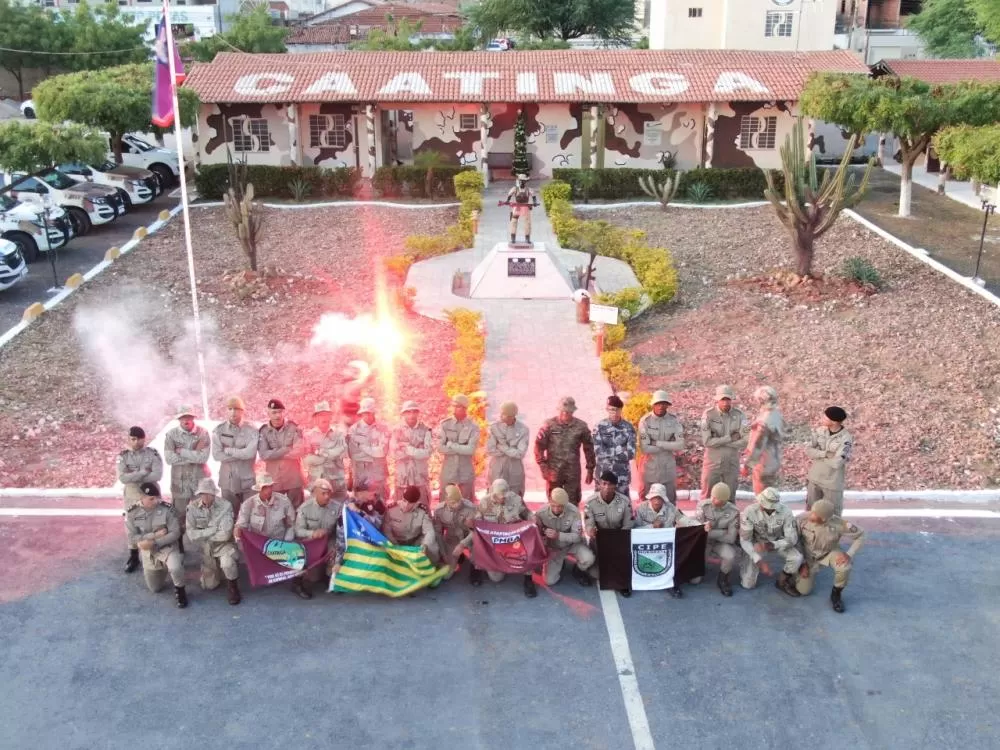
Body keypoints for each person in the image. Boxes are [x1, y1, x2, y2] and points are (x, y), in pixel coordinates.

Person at [795, 499, 865, 612]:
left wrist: (849, 554)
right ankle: (797, 574)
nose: (810, 515)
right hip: (807, 556)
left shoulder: (839, 524)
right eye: (812, 511)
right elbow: (794, 541)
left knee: (844, 567)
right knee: (804, 591)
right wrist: (802, 563)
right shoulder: (801, 519)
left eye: (814, 514)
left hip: (828, 552)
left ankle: (836, 594)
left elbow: (861, 535)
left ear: (824, 519)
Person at [125, 482, 187, 608]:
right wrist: (154, 535)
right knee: (155, 588)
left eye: (157, 497)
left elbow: (175, 533)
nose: (156, 501)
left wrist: (155, 542)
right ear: (141, 497)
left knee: (175, 567)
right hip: (148, 553)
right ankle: (162, 569)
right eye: (151, 498)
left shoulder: (167, 509)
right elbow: (132, 537)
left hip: (167, 547)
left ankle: (180, 591)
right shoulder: (132, 513)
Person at [472, 478, 536, 596]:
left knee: (529, 545)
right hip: (493, 542)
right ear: (492, 492)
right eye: (499, 495)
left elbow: (526, 513)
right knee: (496, 578)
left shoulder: (516, 499)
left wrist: (532, 518)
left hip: (513, 539)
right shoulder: (484, 502)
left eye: (504, 495)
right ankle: (478, 567)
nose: (502, 498)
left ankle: (528, 579)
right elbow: (478, 522)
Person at [185, 477, 241, 606]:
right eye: (202, 493)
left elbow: (225, 535)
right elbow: (191, 535)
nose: (205, 496)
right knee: (209, 585)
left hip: (224, 546)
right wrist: (213, 530)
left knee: (227, 563)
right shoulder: (192, 508)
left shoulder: (225, 506)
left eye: (208, 493)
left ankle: (233, 587)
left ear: (213, 494)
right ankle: (217, 571)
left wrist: (203, 534)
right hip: (206, 549)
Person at [634, 482, 695, 598]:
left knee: (678, 554)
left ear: (664, 499)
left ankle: (672, 583)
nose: (657, 501)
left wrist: (699, 525)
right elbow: (635, 530)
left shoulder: (671, 508)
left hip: (665, 546)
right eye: (654, 497)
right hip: (646, 544)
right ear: (650, 497)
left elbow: (683, 519)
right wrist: (652, 526)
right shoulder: (641, 509)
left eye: (660, 498)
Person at [739, 487, 802, 597]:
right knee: (748, 585)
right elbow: (745, 540)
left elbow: (792, 538)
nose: (763, 506)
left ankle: (782, 581)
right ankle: (746, 565)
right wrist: (759, 561)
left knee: (797, 558)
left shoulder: (786, 512)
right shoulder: (749, 511)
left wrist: (773, 545)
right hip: (757, 544)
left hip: (778, 542)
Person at [534, 396, 596, 506]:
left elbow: (589, 448)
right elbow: (538, 446)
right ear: (559, 410)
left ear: (573, 411)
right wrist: (543, 466)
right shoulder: (549, 425)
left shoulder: (581, 426)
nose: (565, 414)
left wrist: (590, 469)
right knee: (554, 502)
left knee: (572, 503)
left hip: (572, 472)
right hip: (553, 472)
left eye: (569, 412)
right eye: (563, 411)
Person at [116, 426, 162, 573]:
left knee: (156, 523)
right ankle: (134, 555)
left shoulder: (152, 454)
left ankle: (158, 553)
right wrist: (143, 472)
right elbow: (122, 478)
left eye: (139, 439)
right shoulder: (123, 456)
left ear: (144, 439)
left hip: (151, 494)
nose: (136, 442)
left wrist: (133, 475)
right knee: (131, 525)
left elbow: (157, 475)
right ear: (128, 439)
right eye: (133, 439)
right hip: (132, 495)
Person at [164, 405, 211, 546]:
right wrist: (193, 456)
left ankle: (206, 547)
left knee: (204, 513)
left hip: (199, 481)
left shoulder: (202, 433)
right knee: (179, 515)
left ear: (193, 418)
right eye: (183, 417)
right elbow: (169, 459)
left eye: (189, 417)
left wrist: (182, 451)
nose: (186, 420)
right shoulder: (171, 435)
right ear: (179, 419)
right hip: (180, 482)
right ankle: (179, 545)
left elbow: (203, 458)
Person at [584, 470, 635, 596]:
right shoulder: (590, 502)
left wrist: (618, 541)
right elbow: (588, 523)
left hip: (619, 538)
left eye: (610, 484)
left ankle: (622, 584)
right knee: (596, 574)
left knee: (623, 565)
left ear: (615, 486)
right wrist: (590, 531)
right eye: (604, 483)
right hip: (599, 539)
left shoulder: (624, 501)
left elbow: (628, 524)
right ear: (600, 484)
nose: (607, 487)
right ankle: (579, 570)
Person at [293, 478, 343, 599]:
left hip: (327, 539)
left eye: (329, 493)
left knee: (335, 548)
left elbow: (341, 527)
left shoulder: (337, 507)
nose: (327, 497)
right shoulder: (305, 508)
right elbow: (298, 530)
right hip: (311, 542)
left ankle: (329, 577)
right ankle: (299, 583)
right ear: (315, 493)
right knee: (298, 553)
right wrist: (313, 533)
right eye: (323, 493)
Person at [535, 487, 595, 587]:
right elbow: (536, 533)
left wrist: (558, 535)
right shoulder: (541, 513)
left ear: (565, 504)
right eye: (553, 505)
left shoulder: (574, 512)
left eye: (560, 506)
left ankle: (578, 570)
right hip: (554, 549)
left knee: (588, 558)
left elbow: (576, 536)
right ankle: (558, 563)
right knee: (549, 581)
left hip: (572, 545)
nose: (556, 509)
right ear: (549, 500)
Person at [212, 396, 258, 520]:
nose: (233, 412)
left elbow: (250, 454)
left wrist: (229, 451)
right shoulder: (219, 430)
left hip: (247, 480)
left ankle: (248, 539)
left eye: (237, 409)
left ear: (242, 411)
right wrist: (241, 453)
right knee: (230, 515)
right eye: (230, 408)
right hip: (227, 480)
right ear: (226, 410)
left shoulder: (252, 430)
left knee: (251, 515)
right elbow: (216, 455)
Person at [700, 385, 748, 501]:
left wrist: (721, 441)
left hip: (731, 464)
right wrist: (730, 438)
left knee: (730, 497)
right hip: (712, 464)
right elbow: (707, 441)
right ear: (716, 400)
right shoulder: (708, 415)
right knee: (707, 496)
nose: (726, 403)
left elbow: (746, 440)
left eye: (728, 399)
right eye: (723, 399)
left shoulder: (740, 415)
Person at [693, 482, 740, 597]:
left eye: (717, 498)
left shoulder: (734, 512)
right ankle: (699, 569)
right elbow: (697, 531)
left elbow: (731, 538)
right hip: (704, 543)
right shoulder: (703, 506)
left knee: (730, 555)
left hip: (721, 543)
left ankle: (723, 579)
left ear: (725, 500)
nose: (713, 500)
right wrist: (722, 532)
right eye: (712, 496)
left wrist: (709, 532)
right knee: (694, 581)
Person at [637, 390, 685, 504]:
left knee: (670, 502)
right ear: (653, 404)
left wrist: (657, 443)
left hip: (667, 469)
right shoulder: (645, 421)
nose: (661, 406)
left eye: (664, 403)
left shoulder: (674, 421)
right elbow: (645, 448)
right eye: (658, 403)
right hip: (649, 468)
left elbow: (680, 445)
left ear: (668, 405)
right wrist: (669, 445)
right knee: (646, 503)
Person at [805, 406, 854, 516]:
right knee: (811, 514)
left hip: (832, 483)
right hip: (814, 479)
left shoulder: (846, 439)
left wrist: (817, 454)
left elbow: (837, 463)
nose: (822, 418)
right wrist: (826, 454)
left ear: (834, 421)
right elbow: (808, 450)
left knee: (833, 516)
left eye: (825, 417)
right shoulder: (820, 431)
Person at [258, 398, 306, 508]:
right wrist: (285, 449)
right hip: (274, 481)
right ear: (268, 413)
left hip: (294, 479)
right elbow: (264, 455)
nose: (277, 416)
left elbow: (299, 450)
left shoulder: (293, 428)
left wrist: (275, 454)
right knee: (276, 513)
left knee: (297, 510)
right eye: (274, 412)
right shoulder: (264, 431)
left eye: (280, 412)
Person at [437, 394, 480, 503]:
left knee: (467, 503)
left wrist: (451, 445)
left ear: (465, 408)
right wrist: (462, 449)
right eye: (453, 406)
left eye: (458, 406)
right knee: (445, 501)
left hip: (466, 469)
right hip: (448, 469)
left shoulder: (473, 427)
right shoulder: (445, 425)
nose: (454, 409)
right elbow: (440, 448)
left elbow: (471, 450)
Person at [592, 395, 637, 498]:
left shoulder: (628, 428)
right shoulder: (599, 427)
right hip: (603, 473)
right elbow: (598, 452)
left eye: (618, 410)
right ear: (607, 409)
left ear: (621, 410)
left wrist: (608, 451)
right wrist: (620, 450)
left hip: (621, 475)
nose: (615, 413)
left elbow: (631, 453)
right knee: (600, 504)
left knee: (623, 505)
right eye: (612, 409)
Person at [743, 386, 785, 495]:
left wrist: (747, 464)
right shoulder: (777, 415)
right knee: (771, 494)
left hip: (763, 463)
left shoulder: (764, 420)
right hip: (774, 460)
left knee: (762, 497)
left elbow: (758, 445)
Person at [382, 486, 440, 565]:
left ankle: (430, 567)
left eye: (410, 503)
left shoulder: (422, 511)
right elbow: (387, 531)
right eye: (404, 501)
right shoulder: (391, 509)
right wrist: (396, 545)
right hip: (396, 543)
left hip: (415, 543)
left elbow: (429, 531)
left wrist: (425, 545)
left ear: (416, 503)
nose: (406, 505)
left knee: (432, 546)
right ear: (402, 498)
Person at [391, 400, 433, 507]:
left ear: (418, 413)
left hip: (420, 477)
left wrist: (406, 448)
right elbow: (393, 454)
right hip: (402, 477)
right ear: (403, 414)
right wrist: (417, 451)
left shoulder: (426, 430)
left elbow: (427, 453)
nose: (411, 415)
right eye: (408, 412)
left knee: (423, 508)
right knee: (400, 509)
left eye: (414, 411)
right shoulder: (396, 430)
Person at [348, 397, 391, 498]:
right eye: (364, 413)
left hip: (378, 478)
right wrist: (373, 451)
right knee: (360, 508)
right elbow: (353, 455)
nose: (366, 415)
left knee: (381, 507)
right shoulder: (354, 430)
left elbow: (382, 452)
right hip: (361, 477)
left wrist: (361, 446)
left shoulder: (383, 428)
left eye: (369, 412)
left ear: (374, 412)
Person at [486, 401, 529, 498]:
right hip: (497, 468)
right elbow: (490, 449)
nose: (501, 417)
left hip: (514, 469)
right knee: (494, 496)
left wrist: (502, 446)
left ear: (512, 416)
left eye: (504, 415)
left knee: (515, 497)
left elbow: (520, 454)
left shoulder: (523, 430)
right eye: (501, 414)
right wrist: (511, 450)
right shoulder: (494, 428)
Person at [433, 485, 477, 576]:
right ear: (446, 501)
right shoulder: (439, 510)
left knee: (477, 554)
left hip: (469, 538)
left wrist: (462, 544)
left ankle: (476, 571)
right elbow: (438, 533)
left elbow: (475, 531)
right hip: (452, 539)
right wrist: (443, 553)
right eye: (453, 502)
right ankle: (458, 557)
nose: (457, 505)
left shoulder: (470, 508)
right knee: (446, 575)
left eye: (459, 501)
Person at [302, 401, 348, 490]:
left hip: (336, 481)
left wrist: (320, 453)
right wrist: (330, 455)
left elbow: (343, 453)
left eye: (326, 415)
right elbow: (306, 460)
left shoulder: (339, 434)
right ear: (315, 418)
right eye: (320, 415)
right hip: (317, 481)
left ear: (330, 417)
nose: (324, 418)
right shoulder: (308, 436)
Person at [504, 173, 539, 245]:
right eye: (520, 181)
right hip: (517, 207)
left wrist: (535, 202)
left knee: (527, 223)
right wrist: (507, 201)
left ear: (525, 182)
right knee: (513, 222)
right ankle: (513, 238)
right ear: (518, 181)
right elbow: (509, 195)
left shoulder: (529, 190)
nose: (521, 182)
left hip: (525, 207)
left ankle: (527, 238)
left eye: (523, 181)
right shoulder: (515, 189)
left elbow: (534, 197)